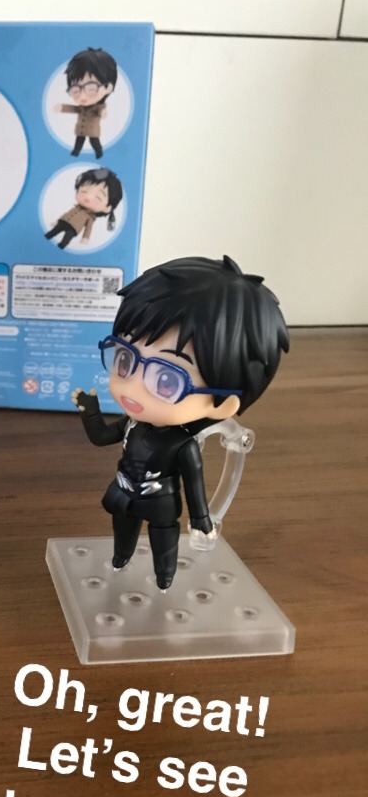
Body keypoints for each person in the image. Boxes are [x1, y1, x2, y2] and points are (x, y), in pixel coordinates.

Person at [72, 255, 289, 589]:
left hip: (160, 500)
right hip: (124, 490)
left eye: (166, 380)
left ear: (224, 404)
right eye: (126, 359)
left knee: (163, 539)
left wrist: (201, 519)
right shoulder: (132, 424)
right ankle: (119, 559)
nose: (132, 387)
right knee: (123, 529)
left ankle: (164, 578)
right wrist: (91, 413)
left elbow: (194, 483)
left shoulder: (183, 445)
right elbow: (101, 436)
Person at [55, 47, 117, 159]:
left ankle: (99, 153)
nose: (82, 96)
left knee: (94, 141)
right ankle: (75, 153)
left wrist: (103, 112)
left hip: (93, 130)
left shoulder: (98, 107)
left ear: (108, 87)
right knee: (79, 141)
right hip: (81, 129)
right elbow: (74, 108)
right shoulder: (81, 107)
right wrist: (62, 107)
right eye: (75, 90)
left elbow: (100, 111)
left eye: (91, 88)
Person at [45, 167, 123, 249]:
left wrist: (85, 238)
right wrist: (57, 221)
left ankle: (60, 247)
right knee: (53, 231)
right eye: (84, 191)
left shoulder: (90, 217)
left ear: (108, 208)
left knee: (66, 239)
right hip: (63, 222)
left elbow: (88, 228)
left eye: (98, 197)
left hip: (73, 228)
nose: (88, 197)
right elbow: (66, 214)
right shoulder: (75, 208)